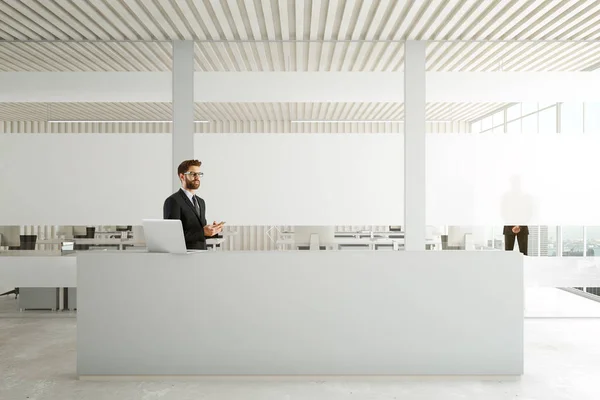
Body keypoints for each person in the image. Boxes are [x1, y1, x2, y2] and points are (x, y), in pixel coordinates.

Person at [163, 159, 224, 250]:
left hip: (201, 255)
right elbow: (172, 235)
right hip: (183, 257)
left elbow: (199, 234)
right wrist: (203, 232)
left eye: (199, 174)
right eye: (193, 174)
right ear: (182, 176)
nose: (197, 177)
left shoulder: (201, 202)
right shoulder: (173, 201)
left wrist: (213, 231)